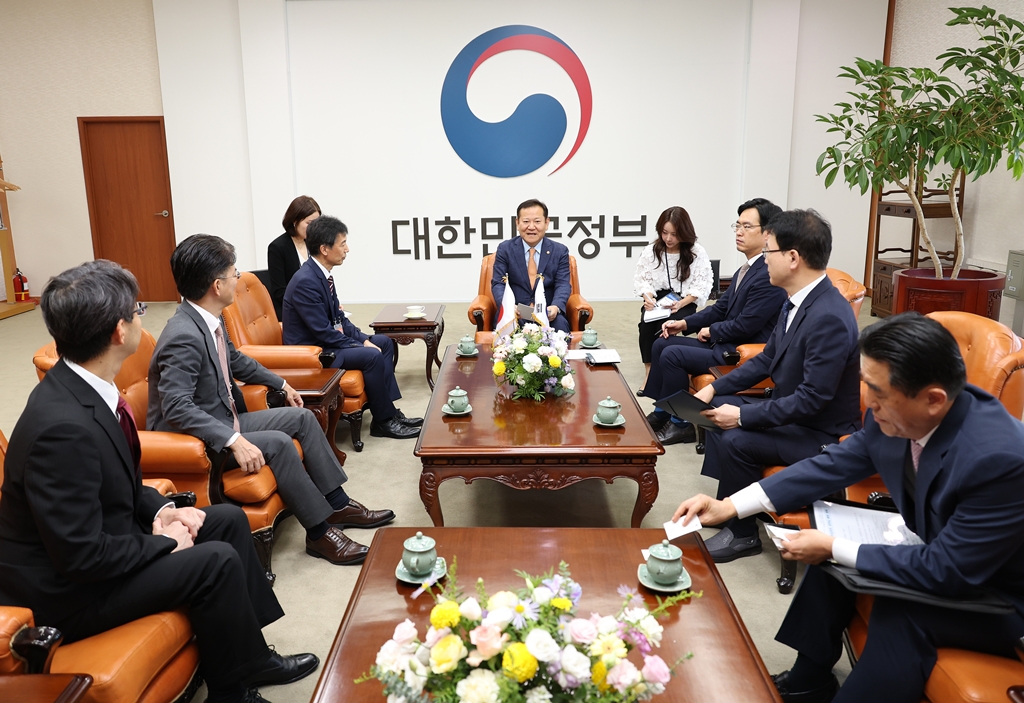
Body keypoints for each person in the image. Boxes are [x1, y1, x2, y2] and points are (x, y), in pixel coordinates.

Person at [0, 260, 319, 703]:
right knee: (214, 562)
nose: (141, 317)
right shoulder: (61, 428)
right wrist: (166, 542)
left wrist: (165, 511)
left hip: (100, 547)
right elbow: (80, 556)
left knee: (225, 520)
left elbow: (121, 489)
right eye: (138, 309)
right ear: (118, 331)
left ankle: (251, 656)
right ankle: (232, 693)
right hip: (70, 594)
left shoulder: (87, 389)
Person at [673, 313, 1024, 703]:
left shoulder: (1000, 459)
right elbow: (832, 464)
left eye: (876, 390)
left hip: (1000, 592)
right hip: (940, 547)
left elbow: (950, 570)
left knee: (902, 611)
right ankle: (809, 680)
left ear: (934, 399)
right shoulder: (895, 410)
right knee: (835, 552)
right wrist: (729, 506)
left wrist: (834, 547)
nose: (867, 403)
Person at [148, 234, 395, 567]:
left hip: (224, 417)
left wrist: (281, 382)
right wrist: (233, 440)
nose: (239, 279)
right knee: (278, 443)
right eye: (234, 273)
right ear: (216, 285)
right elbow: (176, 408)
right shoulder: (183, 335)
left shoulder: (207, 318)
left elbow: (234, 359)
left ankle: (336, 504)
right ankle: (320, 534)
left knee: (303, 417)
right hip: (197, 437)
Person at [691, 209, 861, 563]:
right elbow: (768, 359)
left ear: (793, 258)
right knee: (721, 408)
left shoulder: (828, 316)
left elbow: (812, 400)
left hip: (821, 432)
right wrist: (713, 389)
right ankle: (730, 510)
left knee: (737, 435)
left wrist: (743, 416)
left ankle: (742, 535)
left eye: (768, 252)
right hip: (796, 414)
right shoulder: (796, 299)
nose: (763, 261)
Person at [642, 198, 787, 444]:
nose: (739, 232)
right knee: (661, 343)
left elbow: (746, 326)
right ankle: (663, 412)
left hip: (739, 351)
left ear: (767, 233)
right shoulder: (748, 269)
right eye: (737, 225)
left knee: (672, 354)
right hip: (725, 343)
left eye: (747, 227)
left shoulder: (767, 274)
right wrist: (685, 324)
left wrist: (711, 331)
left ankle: (683, 423)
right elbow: (720, 308)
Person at [282, 215, 422, 440]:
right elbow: (322, 332)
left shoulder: (322, 275)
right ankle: (384, 422)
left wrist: (364, 339)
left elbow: (339, 319)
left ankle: (388, 414)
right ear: (325, 249)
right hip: (315, 353)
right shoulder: (306, 282)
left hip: (326, 341)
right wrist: (361, 345)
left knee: (384, 343)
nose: (347, 249)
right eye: (343, 243)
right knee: (371, 356)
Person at [633, 205, 713, 383]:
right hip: (659, 299)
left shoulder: (696, 252)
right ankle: (650, 371)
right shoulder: (652, 250)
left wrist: (681, 304)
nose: (668, 238)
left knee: (665, 324)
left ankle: (664, 368)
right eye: (664, 232)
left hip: (684, 300)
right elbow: (643, 280)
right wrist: (648, 298)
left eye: (674, 234)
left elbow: (701, 286)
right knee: (646, 324)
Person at [491, 199, 572, 333]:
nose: (531, 227)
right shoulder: (505, 249)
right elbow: (498, 283)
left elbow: (563, 284)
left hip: (547, 313)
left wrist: (556, 307)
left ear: (547, 223)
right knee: (506, 342)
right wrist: (509, 306)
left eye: (537, 221)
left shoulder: (560, 251)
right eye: (526, 221)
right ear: (517, 223)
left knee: (561, 330)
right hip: (515, 313)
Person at [268, 195, 321, 319]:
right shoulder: (277, 247)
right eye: (309, 223)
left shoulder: (314, 244)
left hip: (315, 308)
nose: (314, 228)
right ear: (294, 221)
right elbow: (280, 292)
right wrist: (309, 305)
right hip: (293, 312)